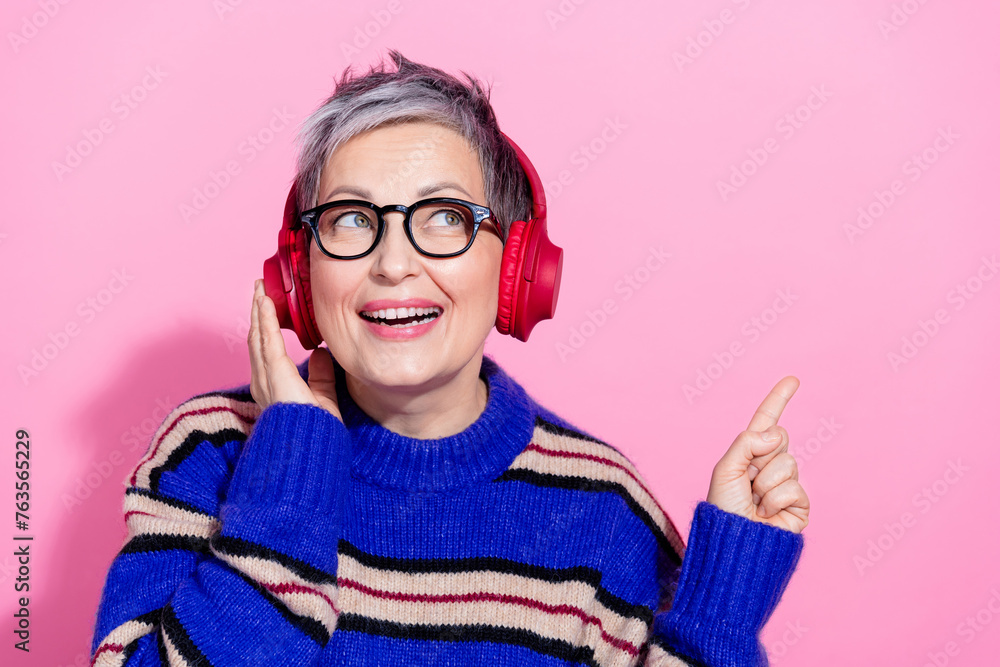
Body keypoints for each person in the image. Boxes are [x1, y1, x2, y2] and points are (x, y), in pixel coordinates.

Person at [89, 50, 809, 667]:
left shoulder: (606, 508)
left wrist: (721, 606)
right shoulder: (210, 452)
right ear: (300, 274)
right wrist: (290, 476)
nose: (393, 262)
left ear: (516, 268)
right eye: (351, 220)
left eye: (445, 218)